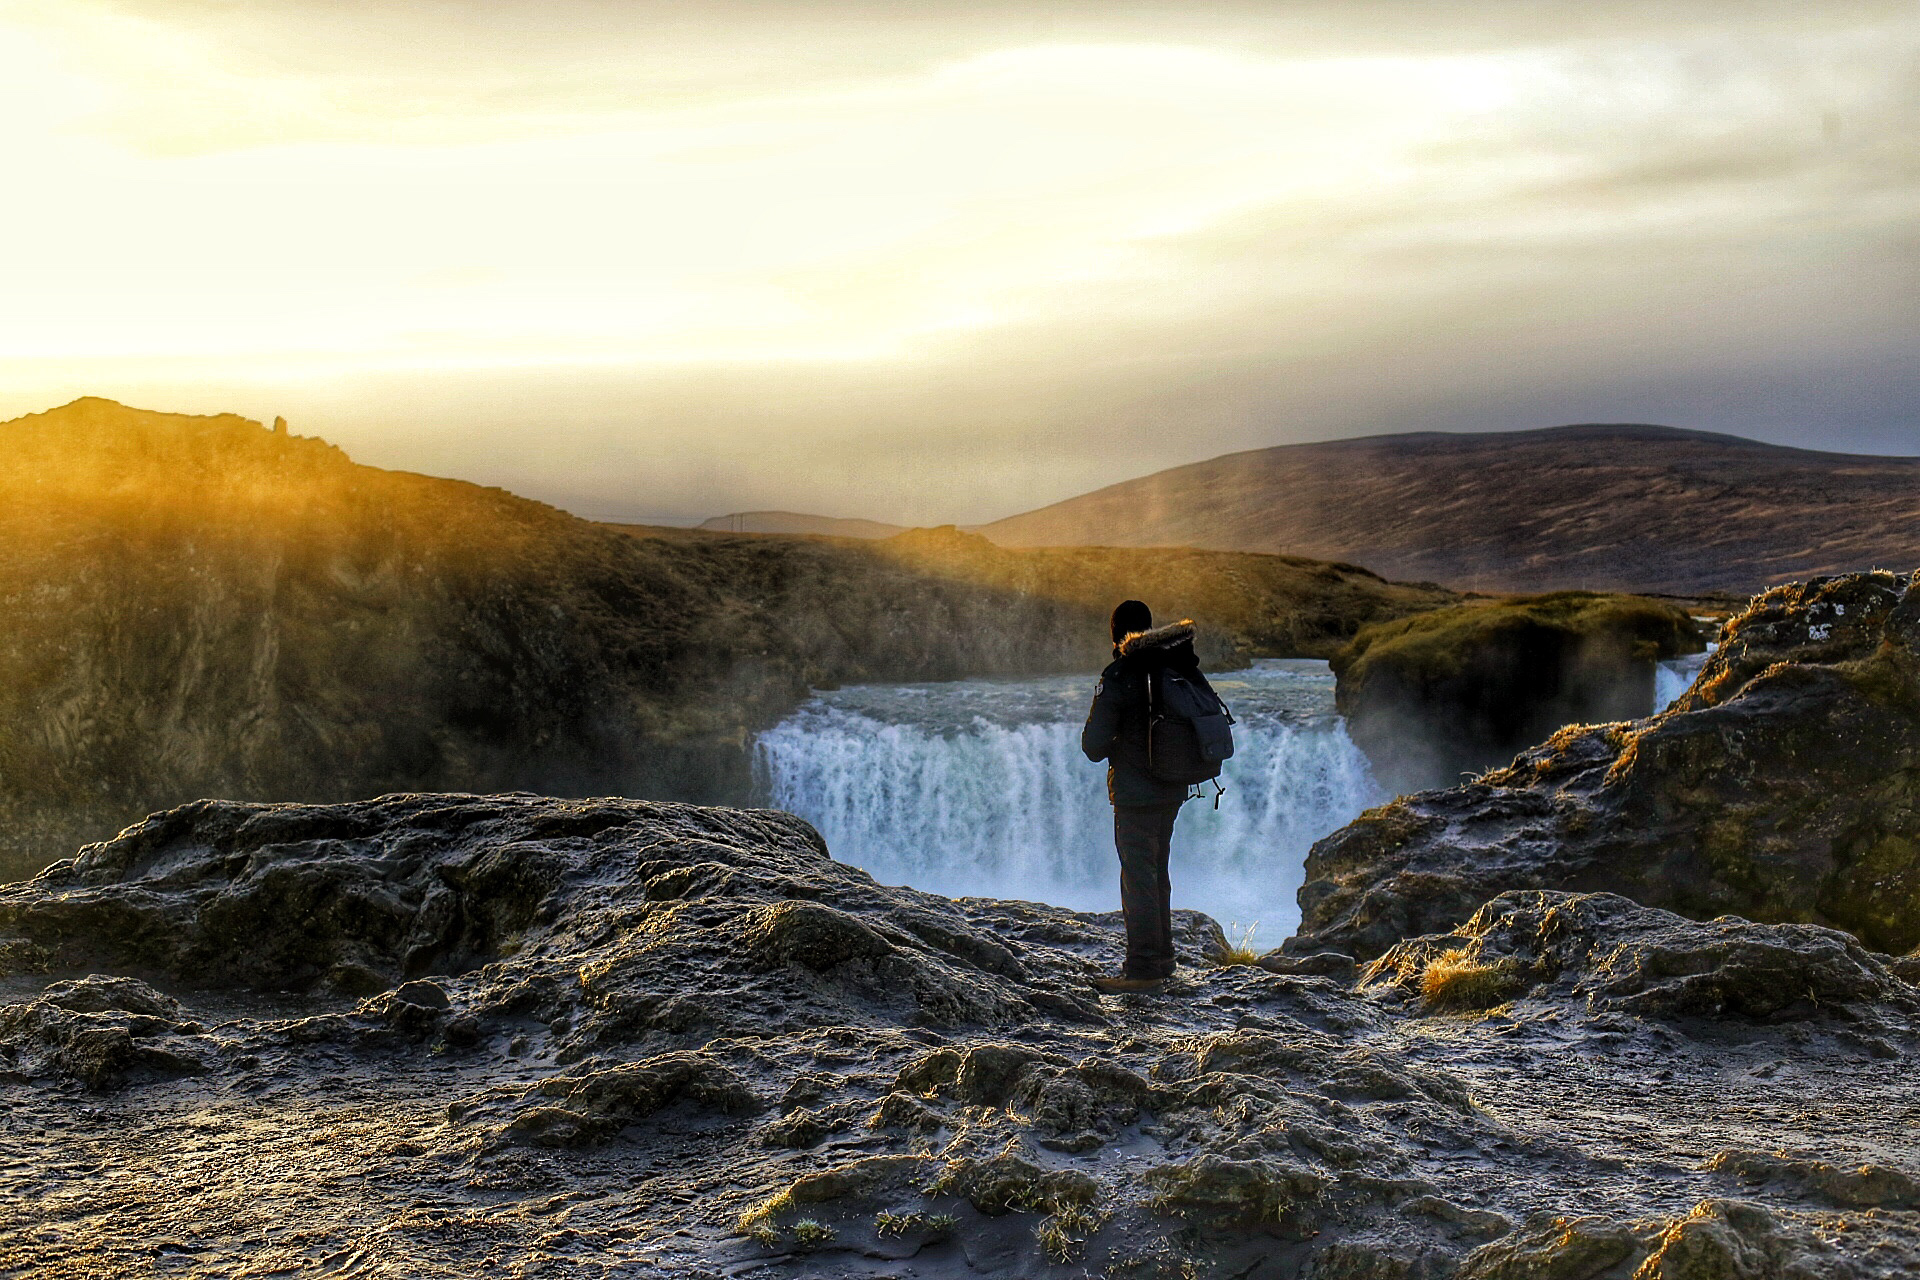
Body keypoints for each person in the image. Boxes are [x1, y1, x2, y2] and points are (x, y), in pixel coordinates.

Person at [1080, 600, 1221, 994]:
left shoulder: (1121, 673)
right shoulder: (1171, 666)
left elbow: (1092, 745)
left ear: (1116, 635)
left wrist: (1117, 743)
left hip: (1134, 793)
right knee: (1157, 872)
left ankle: (1142, 971)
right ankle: (1162, 960)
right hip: (1171, 786)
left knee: (1139, 876)